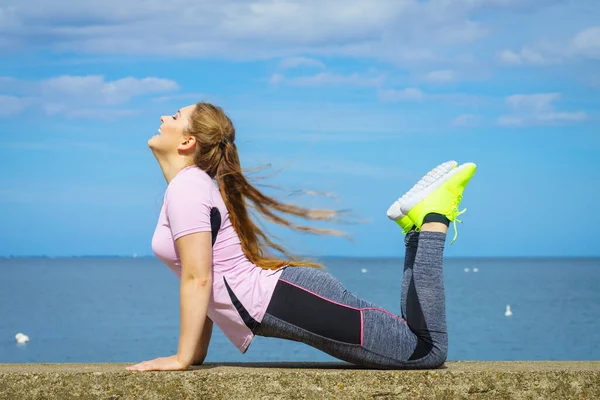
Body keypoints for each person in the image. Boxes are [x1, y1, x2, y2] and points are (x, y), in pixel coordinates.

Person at [126, 102, 476, 372]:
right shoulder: (189, 187)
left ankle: (434, 217)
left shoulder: (187, 187)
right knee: (417, 343)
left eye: (173, 116)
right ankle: (416, 226)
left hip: (284, 298)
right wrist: (194, 354)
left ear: (187, 141)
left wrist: (182, 358)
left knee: (426, 351)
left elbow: (198, 278)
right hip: (283, 297)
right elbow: (201, 276)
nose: (162, 118)